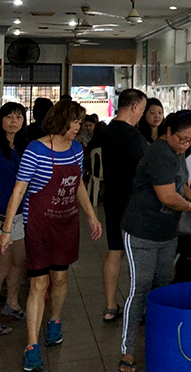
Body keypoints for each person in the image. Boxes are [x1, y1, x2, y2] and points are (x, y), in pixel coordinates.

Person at [0, 100, 102, 372]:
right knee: (38, 284)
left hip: (66, 223)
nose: (79, 128)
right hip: (39, 225)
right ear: (60, 122)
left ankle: (54, 321)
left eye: (80, 123)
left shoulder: (77, 149)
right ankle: (32, 346)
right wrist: (7, 230)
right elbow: (19, 191)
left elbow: (78, 182)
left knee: (60, 278)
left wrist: (91, 215)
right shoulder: (35, 150)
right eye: (76, 123)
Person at [120, 110, 191, 372]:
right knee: (140, 290)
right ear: (168, 131)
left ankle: (159, 339)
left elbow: (179, 185)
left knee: (162, 288)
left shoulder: (178, 153)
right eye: (182, 139)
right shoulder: (159, 153)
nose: (186, 145)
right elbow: (168, 197)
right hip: (141, 233)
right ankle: (127, 351)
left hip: (166, 234)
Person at [100, 89, 147, 324]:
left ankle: (110, 306)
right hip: (133, 201)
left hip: (112, 199)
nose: (143, 115)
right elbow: (144, 170)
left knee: (115, 250)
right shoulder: (133, 137)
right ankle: (137, 307)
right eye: (143, 109)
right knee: (137, 254)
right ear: (135, 107)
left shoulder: (107, 131)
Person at [0, 103, 28, 335]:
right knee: (3, 264)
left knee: (19, 260)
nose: (13, 121)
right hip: (1, 216)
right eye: (8, 116)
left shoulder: (19, 146)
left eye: (18, 117)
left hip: (17, 214)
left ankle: (12, 303)